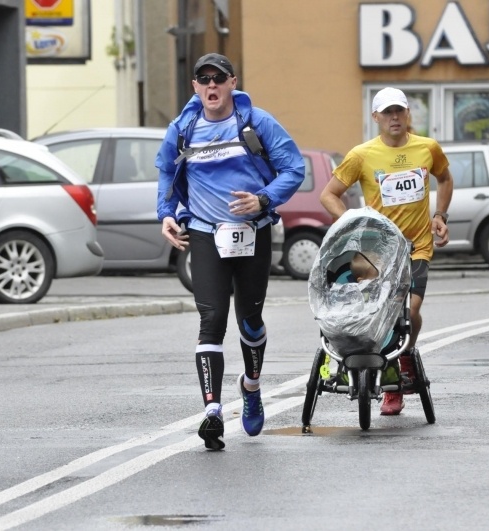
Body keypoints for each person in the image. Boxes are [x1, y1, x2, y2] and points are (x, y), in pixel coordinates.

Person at [156, 53, 305, 450]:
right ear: (195, 87)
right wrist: (166, 214)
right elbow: (167, 172)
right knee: (212, 318)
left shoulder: (256, 122)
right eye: (203, 79)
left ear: (232, 83)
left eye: (218, 79)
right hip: (204, 234)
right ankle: (212, 411)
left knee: (250, 320)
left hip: (252, 233)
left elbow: (294, 169)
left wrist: (262, 200)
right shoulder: (183, 128)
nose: (211, 86)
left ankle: (251, 387)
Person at [320, 86, 454, 416]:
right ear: (376, 117)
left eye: (400, 111)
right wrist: (352, 222)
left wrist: (439, 215)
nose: (394, 117)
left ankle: (403, 356)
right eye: (387, 112)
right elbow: (329, 195)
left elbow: (446, 179)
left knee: (408, 312)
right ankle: (382, 373)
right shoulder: (361, 155)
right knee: (363, 309)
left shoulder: (428, 148)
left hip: (416, 247)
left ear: (408, 114)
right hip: (375, 250)